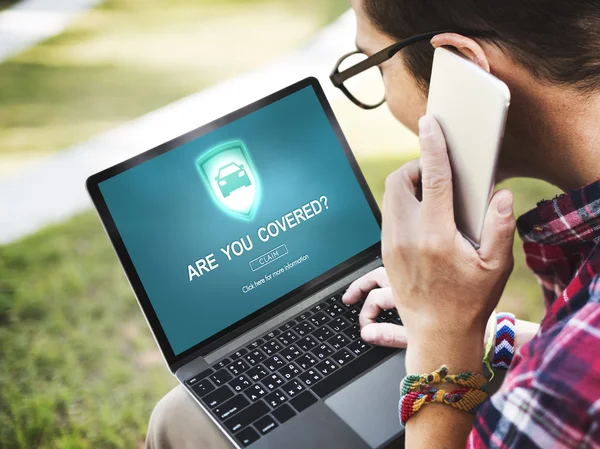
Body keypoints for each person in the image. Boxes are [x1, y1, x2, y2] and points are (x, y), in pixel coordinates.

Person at [146, 0, 600, 447]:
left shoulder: (568, 392)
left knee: (177, 421)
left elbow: (569, 375)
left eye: (374, 65)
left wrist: (442, 342)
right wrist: (483, 334)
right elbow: (565, 350)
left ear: (464, 69)